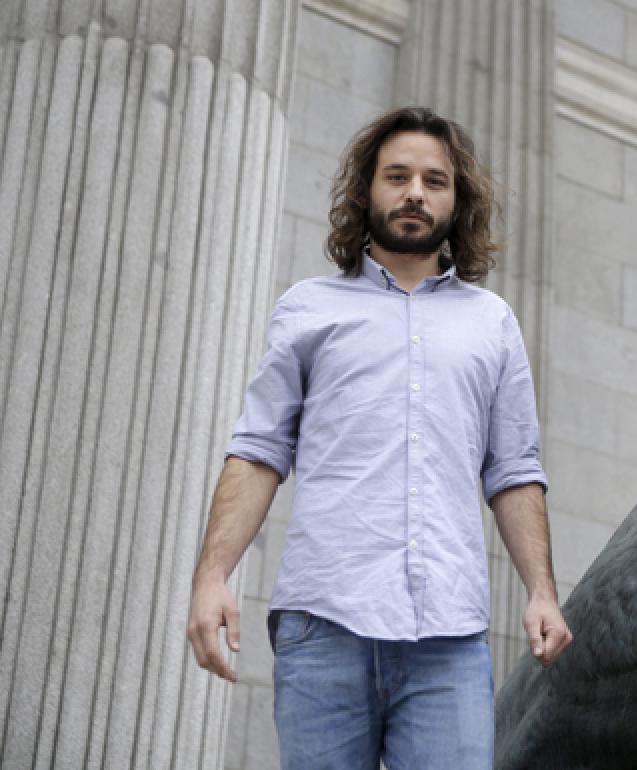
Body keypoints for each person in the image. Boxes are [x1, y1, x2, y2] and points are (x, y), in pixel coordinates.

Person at [186, 106, 572, 769]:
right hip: (324, 626)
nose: (415, 193)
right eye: (397, 176)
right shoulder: (308, 308)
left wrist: (541, 590)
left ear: (458, 199)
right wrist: (212, 576)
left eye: (434, 180)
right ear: (367, 189)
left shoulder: (493, 324)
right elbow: (258, 451)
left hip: (448, 641)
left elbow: (513, 468)